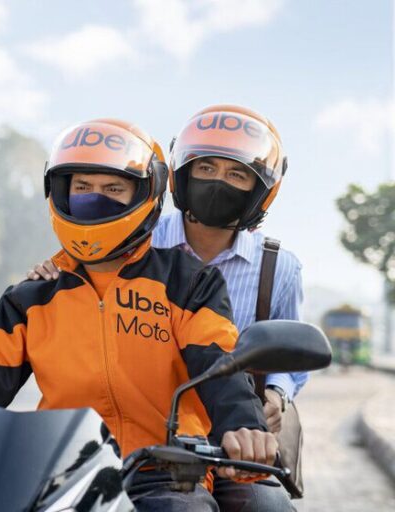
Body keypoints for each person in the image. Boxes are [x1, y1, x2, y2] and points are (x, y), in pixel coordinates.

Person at [0, 119, 276, 510]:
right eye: (82, 186)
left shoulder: (189, 283)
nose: (95, 196)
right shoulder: (32, 296)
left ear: (146, 194)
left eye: (113, 188)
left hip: (165, 473)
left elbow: (220, 366)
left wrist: (244, 429)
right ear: (61, 193)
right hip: (56, 473)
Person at [28, 105, 302, 510]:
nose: (218, 182)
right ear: (181, 174)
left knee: (267, 505)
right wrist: (59, 269)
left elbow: (290, 353)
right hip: (148, 432)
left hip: (237, 435)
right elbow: (85, 262)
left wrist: (276, 395)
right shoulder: (134, 232)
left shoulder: (278, 267)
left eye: (237, 175)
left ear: (262, 189)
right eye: (206, 168)